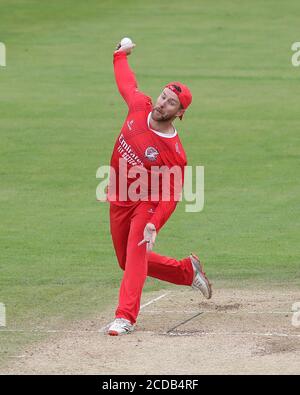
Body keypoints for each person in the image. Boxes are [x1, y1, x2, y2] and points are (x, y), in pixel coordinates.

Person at [106, 39, 212, 336]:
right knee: (127, 261)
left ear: (180, 113)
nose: (163, 104)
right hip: (120, 195)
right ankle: (186, 271)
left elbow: (170, 195)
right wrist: (119, 56)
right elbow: (127, 83)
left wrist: (153, 223)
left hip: (147, 201)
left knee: (137, 251)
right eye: (163, 97)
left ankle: (125, 317)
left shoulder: (174, 154)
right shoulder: (140, 106)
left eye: (171, 103)